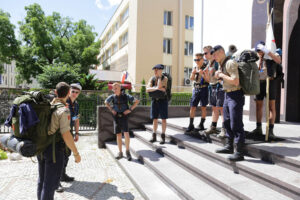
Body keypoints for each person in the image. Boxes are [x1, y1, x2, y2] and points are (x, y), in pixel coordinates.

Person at [38, 82, 81, 200]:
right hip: (54, 151)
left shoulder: (48, 106)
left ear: (55, 92)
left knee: (42, 181)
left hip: (41, 147)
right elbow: (66, 134)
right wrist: (76, 153)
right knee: (50, 184)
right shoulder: (63, 110)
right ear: (68, 93)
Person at [213, 45, 245, 162]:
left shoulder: (230, 63)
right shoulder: (222, 64)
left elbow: (236, 81)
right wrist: (220, 77)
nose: (214, 57)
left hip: (235, 94)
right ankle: (229, 146)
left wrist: (221, 75)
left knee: (236, 123)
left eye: (215, 54)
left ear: (221, 52)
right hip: (227, 94)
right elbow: (228, 80)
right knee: (226, 121)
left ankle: (240, 152)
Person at [250, 41, 281, 138]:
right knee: (259, 105)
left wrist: (267, 52)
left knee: (271, 106)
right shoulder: (256, 57)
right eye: (258, 50)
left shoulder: (271, 54)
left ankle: (270, 130)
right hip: (259, 83)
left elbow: (278, 61)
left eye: (260, 50)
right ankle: (258, 128)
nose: (259, 52)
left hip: (270, 82)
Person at [56, 83, 82, 192]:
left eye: (77, 92)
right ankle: (56, 182)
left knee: (67, 154)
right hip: (59, 132)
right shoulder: (63, 102)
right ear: (69, 91)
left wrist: (76, 133)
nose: (75, 94)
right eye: (73, 91)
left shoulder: (76, 104)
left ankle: (62, 175)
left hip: (69, 131)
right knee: (58, 156)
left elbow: (76, 119)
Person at [105, 82, 139, 161]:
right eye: (113, 88)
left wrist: (129, 110)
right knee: (118, 135)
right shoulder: (112, 97)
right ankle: (120, 152)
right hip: (116, 117)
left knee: (126, 133)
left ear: (120, 88)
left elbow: (136, 101)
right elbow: (106, 102)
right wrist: (111, 110)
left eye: (116, 88)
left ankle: (127, 152)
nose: (114, 90)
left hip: (124, 116)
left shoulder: (126, 96)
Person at [203, 46, 226, 137]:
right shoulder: (209, 63)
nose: (204, 55)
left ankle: (224, 129)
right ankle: (213, 126)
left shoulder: (217, 63)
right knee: (214, 108)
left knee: (221, 108)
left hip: (219, 87)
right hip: (212, 87)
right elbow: (209, 79)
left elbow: (220, 75)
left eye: (206, 53)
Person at [185, 53, 209, 133]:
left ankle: (201, 124)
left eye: (198, 59)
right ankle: (191, 124)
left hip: (204, 88)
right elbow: (191, 78)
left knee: (203, 107)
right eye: (195, 60)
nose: (196, 61)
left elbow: (208, 80)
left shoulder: (206, 67)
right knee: (192, 107)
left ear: (202, 59)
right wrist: (193, 72)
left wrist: (202, 74)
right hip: (196, 89)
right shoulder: (195, 67)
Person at [146, 64, 168, 144]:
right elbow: (147, 89)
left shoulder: (164, 78)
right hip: (154, 100)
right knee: (154, 119)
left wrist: (158, 79)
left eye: (157, 70)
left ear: (161, 70)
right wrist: (156, 88)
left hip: (163, 100)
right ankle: (154, 135)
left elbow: (162, 88)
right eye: (154, 70)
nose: (155, 71)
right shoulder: (152, 78)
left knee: (163, 119)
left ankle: (163, 136)